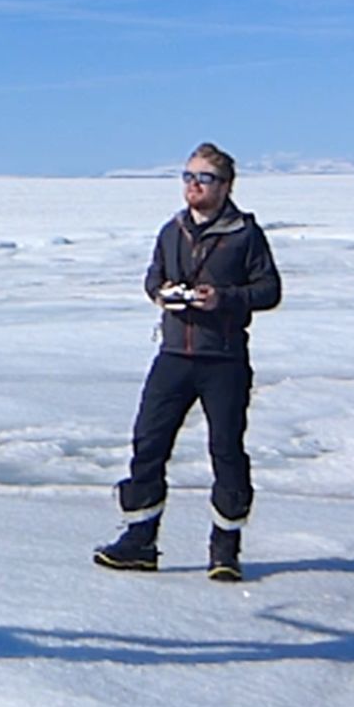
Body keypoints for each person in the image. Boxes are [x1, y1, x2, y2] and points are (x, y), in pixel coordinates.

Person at [96, 142, 282, 581]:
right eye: (188, 177)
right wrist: (161, 292)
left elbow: (269, 290)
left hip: (224, 359)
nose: (193, 186)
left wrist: (223, 299)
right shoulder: (172, 230)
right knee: (148, 442)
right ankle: (139, 539)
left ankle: (225, 548)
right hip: (174, 355)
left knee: (226, 451)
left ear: (225, 186)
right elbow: (153, 275)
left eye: (204, 178)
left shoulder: (244, 234)